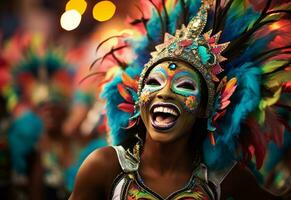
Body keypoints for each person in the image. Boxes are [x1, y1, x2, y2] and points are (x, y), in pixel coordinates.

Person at [69, 0, 291, 199]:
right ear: (138, 100)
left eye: (185, 86)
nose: (164, 93)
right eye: (154, 82)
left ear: (207, 108)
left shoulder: (222, 178)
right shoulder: (105, 167)